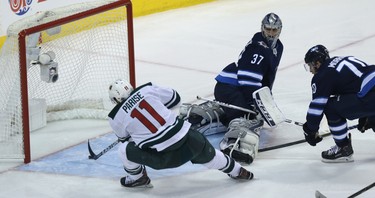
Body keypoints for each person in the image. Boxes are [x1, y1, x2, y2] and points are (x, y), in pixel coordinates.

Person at [107, 79, 254, 188]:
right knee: (212, 156)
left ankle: (137, 178)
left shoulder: (114, 117)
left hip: (162, 158)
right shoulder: (146, 89)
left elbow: (125, 139)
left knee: (124, 150)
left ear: (115, 99)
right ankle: (238, 171)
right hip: (189, 142)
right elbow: (175, 99)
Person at [213, 13, 283, 163]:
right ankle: (233, 144)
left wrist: (265, 99)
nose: (271, 33)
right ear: (262, 28)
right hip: (229, 89)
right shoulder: (258, 48)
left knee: (254, 116)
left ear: (279, 30)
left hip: (235, 88)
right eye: (268, 29)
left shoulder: (278, 47)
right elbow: (248, 79)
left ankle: (224, 115)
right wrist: (254, 104)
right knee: (248, 117)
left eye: (274, 30)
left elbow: (267, 77)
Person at [302, 44, 375, 163]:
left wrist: (310, 130)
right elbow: (359, 83)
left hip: (370, 96)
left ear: (318, 62)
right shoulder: (342, 59)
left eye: (310, 65)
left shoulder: (322, 75)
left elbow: (317, 107)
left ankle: (343, 147)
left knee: (330, 107)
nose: (310, 70)